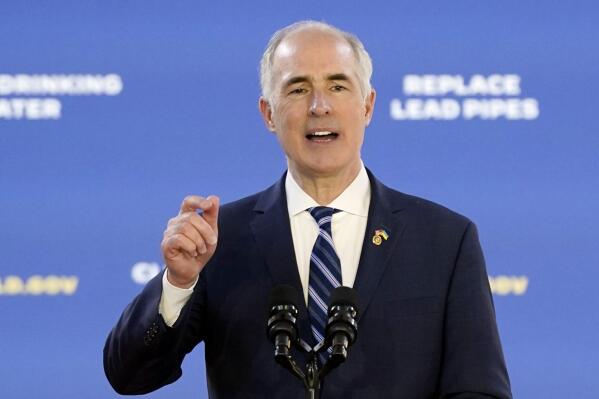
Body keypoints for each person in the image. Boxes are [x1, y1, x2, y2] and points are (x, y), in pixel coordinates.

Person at [104, 21, 512, 398]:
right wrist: (178, 283)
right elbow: (130, 375)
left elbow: (479, 389)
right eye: (297, 88)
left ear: (367, 106)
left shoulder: (444, 240)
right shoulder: (219, 240)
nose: (319, 106)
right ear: (268, 114)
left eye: (338, 86)